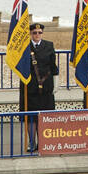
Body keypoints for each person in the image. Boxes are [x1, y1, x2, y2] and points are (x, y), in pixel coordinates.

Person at [21, 22, 58, 152]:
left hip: (46, 85)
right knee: (31, 117)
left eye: (39, 33)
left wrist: (56, 83)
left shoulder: (49, 45)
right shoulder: (24, 46)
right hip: (30, 86)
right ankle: (32, 142)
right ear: (30, 34)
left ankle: (43, 142)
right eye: (34, 33)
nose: (37, 35)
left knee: (44, 115)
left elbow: (53, 66)